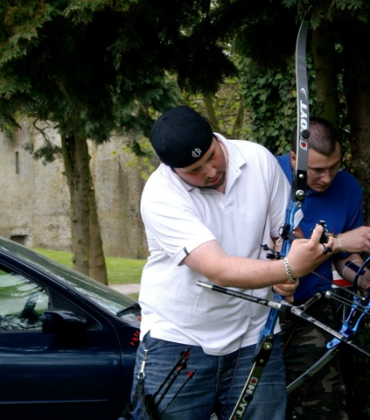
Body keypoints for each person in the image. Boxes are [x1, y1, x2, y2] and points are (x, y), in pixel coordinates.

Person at [132, 106, 336, 420]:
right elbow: (219, 269)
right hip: (178, 341)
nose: (210, 172)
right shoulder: (160, 195)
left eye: (211, 156)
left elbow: (284, 234)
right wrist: (288, 268)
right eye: (194, 170)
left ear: (216, 138)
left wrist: (287, 265)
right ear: (171, 168)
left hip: (254, 336)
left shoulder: (258, 160)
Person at [277, 117, 370, 420]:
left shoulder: (347, 187)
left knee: (324, 405)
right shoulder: (268, 175)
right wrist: (341, 240)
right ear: (294, 159)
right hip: (259, 311)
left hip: (311, 309)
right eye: (317, 170)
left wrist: (366, 278)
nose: (327, 178)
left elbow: (344, 259)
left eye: (334, 167)